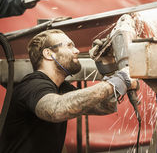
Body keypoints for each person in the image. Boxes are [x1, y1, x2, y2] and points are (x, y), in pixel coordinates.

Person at [0, 28, 138, 153]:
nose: (77, 50)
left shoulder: (62, 88)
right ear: (49, 54)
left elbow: (107, 106)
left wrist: (108, 66)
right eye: (69, 45)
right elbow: (55, 109)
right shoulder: (32, 85)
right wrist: (117, 81)